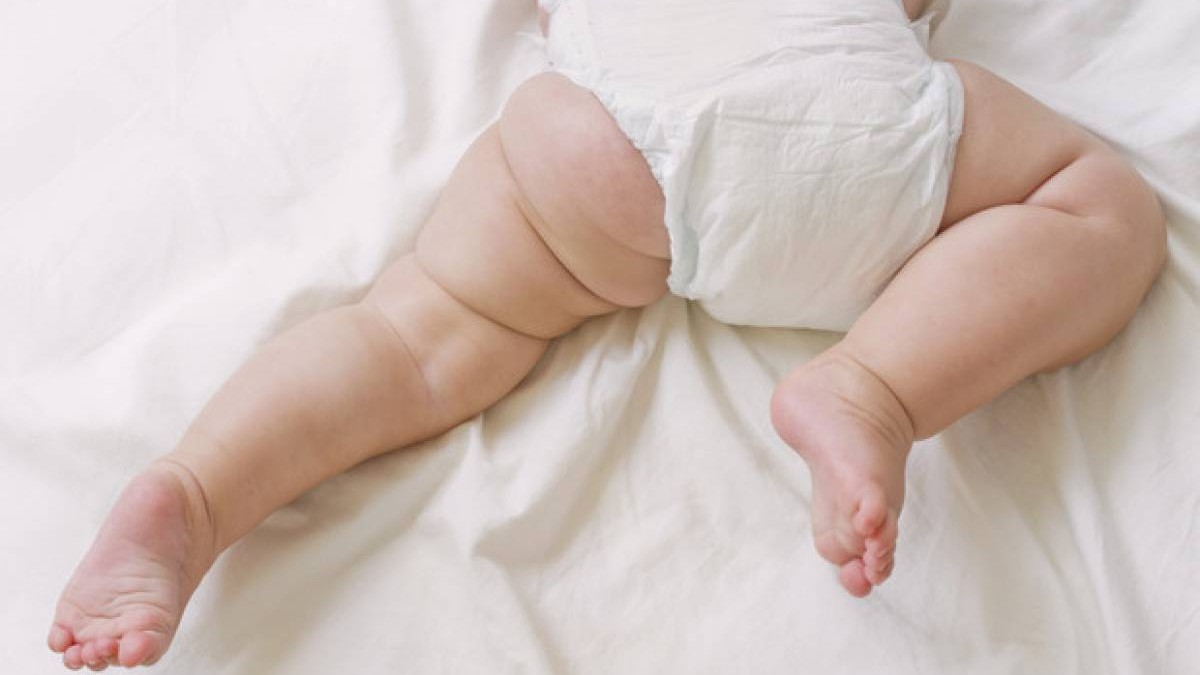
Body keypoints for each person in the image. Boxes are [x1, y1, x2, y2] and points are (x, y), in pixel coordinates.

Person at [48, 0, 1166, 669]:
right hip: (854, 134)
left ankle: (197, 494)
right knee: (1101, 210)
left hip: (602, 152)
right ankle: (873, 386)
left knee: (413, 337)